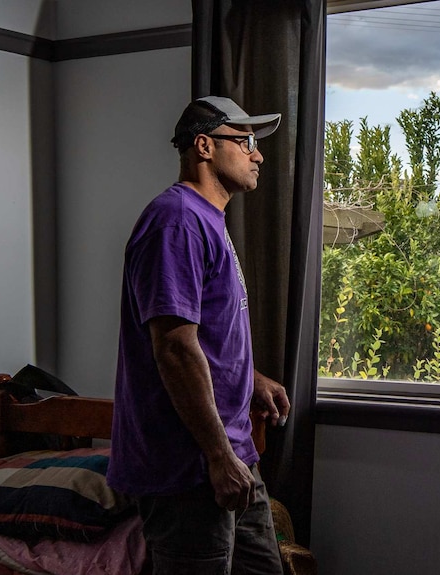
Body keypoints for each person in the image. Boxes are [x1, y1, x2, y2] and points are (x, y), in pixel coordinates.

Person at [107, 95, 291, 575]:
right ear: (205, 146)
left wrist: (249, 377)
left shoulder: (209, 219)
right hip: (190, 466)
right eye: (245, 140)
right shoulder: (176, 220)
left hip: (232, 450)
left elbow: (205, 331)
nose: (258, 154)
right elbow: (173, 346)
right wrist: (216, 455)